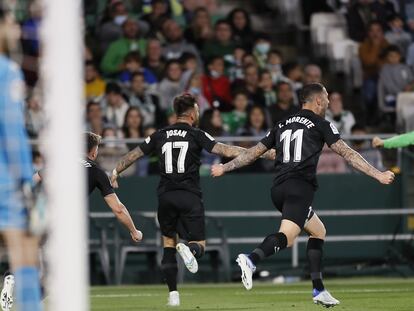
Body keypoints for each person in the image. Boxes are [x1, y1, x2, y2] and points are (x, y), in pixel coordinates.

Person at [211, 83, 395, 307]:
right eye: (326, 97)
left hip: (278, 189)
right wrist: (377, 174)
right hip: (299, 188)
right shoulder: (321, 124)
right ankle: (251, 259)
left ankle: (319, 289)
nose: (327, 101)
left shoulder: (282, 123)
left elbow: (252, 153)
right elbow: (348, 153)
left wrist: (225, 168)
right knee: (287, 238)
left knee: (318, 231)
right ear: (318, 101)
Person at [110, 93, 274, 307]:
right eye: (197, 109)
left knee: (168, 243)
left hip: (166, 196)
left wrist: (115, 171)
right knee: (200, 245)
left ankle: (173, 296)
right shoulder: (196, 134)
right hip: (189, 195)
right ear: (192, 112)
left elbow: (133, 155)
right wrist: (260, 152)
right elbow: (226, 150)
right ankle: (191, 250)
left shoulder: (159, 134)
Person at [0, 7, 43, 311]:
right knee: (27, 255)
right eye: (12, 23)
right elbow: (12, 132)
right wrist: (27, 183)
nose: (16, 30)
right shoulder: (7, 71)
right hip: (5, 182)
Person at [33, 132, 142, 242]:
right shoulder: (97, 172)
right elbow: (118, 209)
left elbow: (33, 181)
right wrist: (134, 231)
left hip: (42, 217)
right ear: (94, 152)